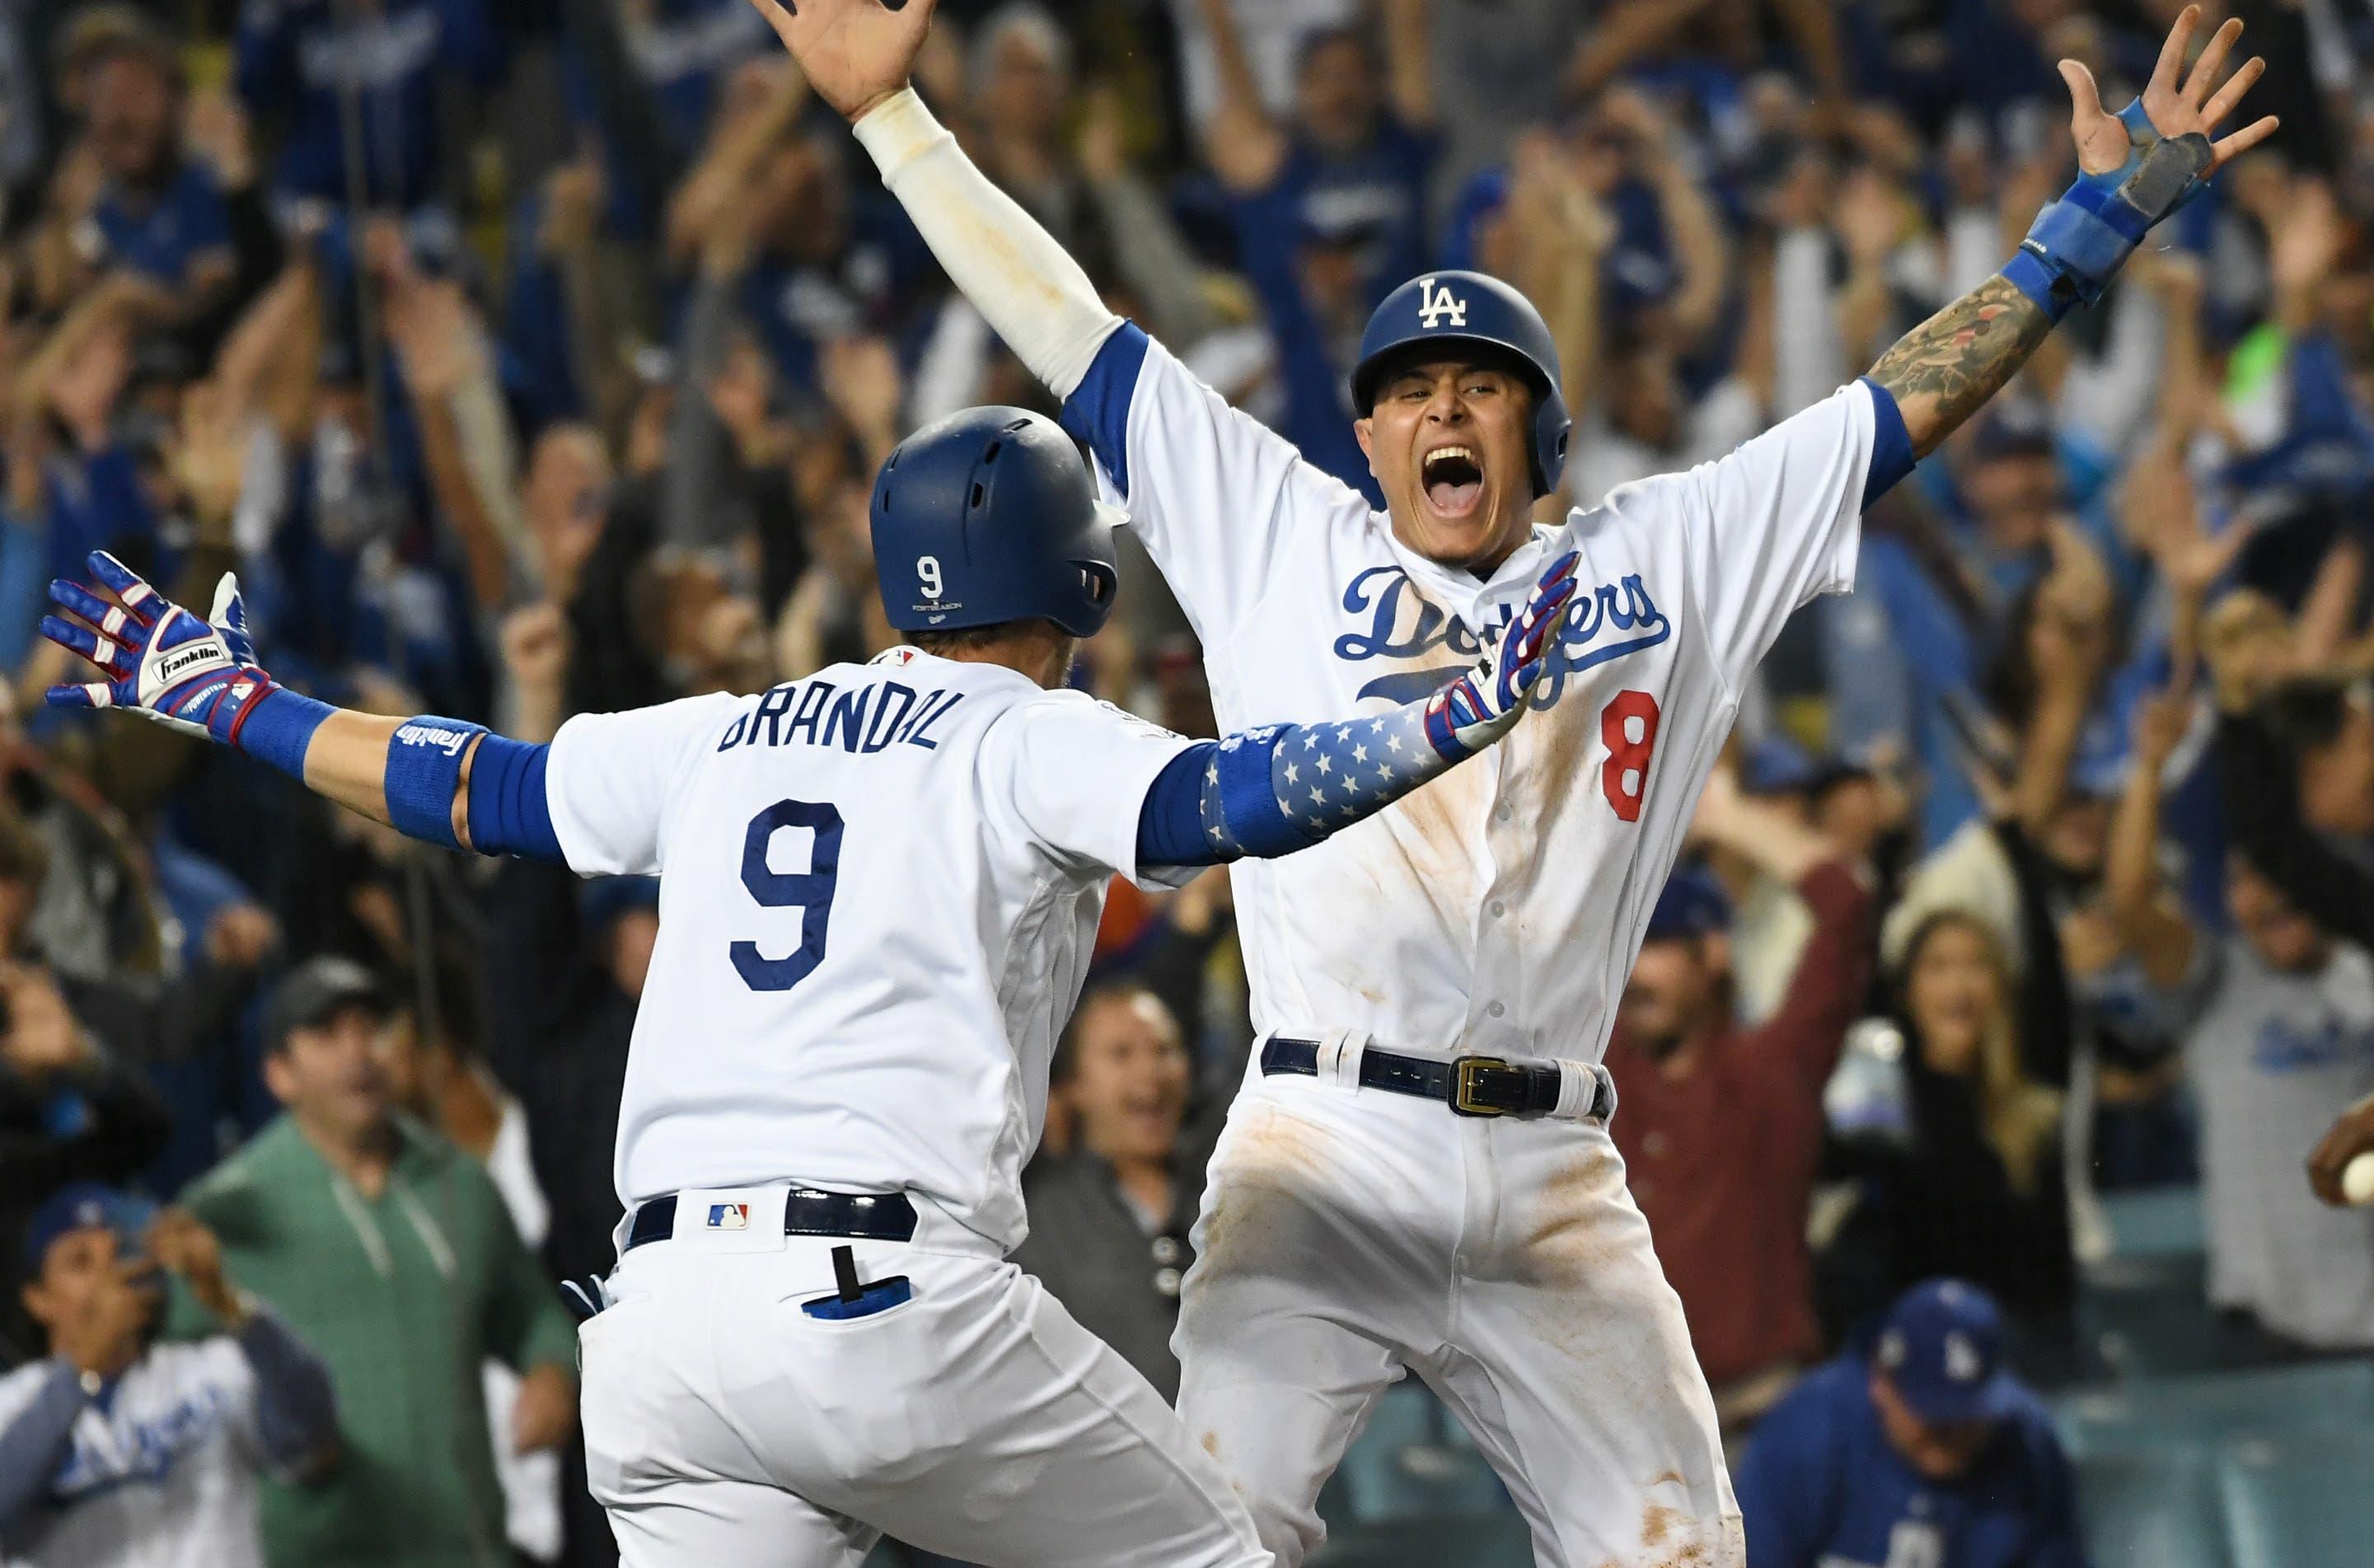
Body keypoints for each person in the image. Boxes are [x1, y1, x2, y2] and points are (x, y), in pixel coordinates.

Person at [752, 0, 2274, 1559]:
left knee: (1679, 1547)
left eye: (1479, 384)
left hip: (1555, 1163)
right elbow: (1066, 324)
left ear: (1542, 434)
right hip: (1320, 1145)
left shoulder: (1668, 552)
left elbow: (1897, 406)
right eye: (1409, 388)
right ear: (1367, 435)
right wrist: (896, 125)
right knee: (1205, 1537)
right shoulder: (1280, 531)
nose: (1443, 408)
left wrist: (2088, 225)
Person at [37, 402, 1580, 1566]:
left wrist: (230, 698)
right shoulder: (1020, 729)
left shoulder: (733, 724)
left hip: (660, 1333)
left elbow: (471, 786)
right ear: (1083, 586)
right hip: (883, 1306)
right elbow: (1224, 804)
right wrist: (1452, 715)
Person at [172, 957, 581, 1568]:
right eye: (327, 1034)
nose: (357, 1051)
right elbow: (172, 1377)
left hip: (465, 1545)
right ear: (279, 1074)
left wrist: (552, 1370)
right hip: (315, 1550)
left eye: (368, 1027)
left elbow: (531, 1314)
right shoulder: (231, 1209)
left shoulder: (458, 1182)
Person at [1608, 767, 1872, 1439]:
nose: (1635, 974)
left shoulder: (1770, 1073)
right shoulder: (1597, 1078)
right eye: (1627, 953)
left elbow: (1844, 909)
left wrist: (1728, 819)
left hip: (1770, 1419)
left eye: (1658, 947)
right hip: (1633, 1428)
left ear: (1713, 953)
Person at [2111, 694, 2374, 1351]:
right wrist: (2147, 770)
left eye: (2284, 878)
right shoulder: (2215, 978)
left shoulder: (2365, 963)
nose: (2272, 897)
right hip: (2263, 1332)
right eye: (2248, 881)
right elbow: (2129, 901)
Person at [0, 1183, 338, 1568]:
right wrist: (81, 1373)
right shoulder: (10, 1402)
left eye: (117, 1253)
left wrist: (230, 1305)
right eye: (80, 1262)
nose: (105, 1277)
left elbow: (313, 1443)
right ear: (37, 1298)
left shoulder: (211, 1369)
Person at [1733, 1280, 2086, 1568]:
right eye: (1935, 1416)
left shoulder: (2029, 1441)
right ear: (1881, 1386)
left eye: (1969, 1416)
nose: (1954, 1433)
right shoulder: (1806, 1433)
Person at [1012, 983, 1208, 1401]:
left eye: (1164, 1049)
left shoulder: (1232, 1187)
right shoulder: (1036, 1223)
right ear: (1075, 1086)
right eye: (1121, 1054)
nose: (1150, 1072)